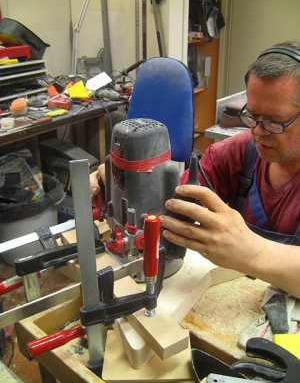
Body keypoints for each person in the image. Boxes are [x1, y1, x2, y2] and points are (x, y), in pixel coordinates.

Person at [90, 41, 300, 299]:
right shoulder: (235, 154)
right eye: (253, 116)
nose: (257, 132)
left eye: (274, 122)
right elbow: (173, 205)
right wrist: (119, 181)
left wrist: (252, 252)